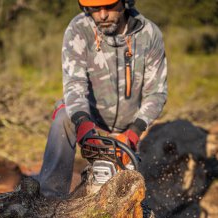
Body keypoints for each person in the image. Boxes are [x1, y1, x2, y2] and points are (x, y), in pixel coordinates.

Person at [39, 0, 167, 198]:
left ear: (126, 2)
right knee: (64, 115)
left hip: (130, 127)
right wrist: (83, 124)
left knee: (131, 199)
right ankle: (49, 200)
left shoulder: (149, 34)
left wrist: (135, 132)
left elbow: (156, 93)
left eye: (109, 7)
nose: (102, 15)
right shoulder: (78, 30)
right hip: (89, 119)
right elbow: (74, 85)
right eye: (95, 9)